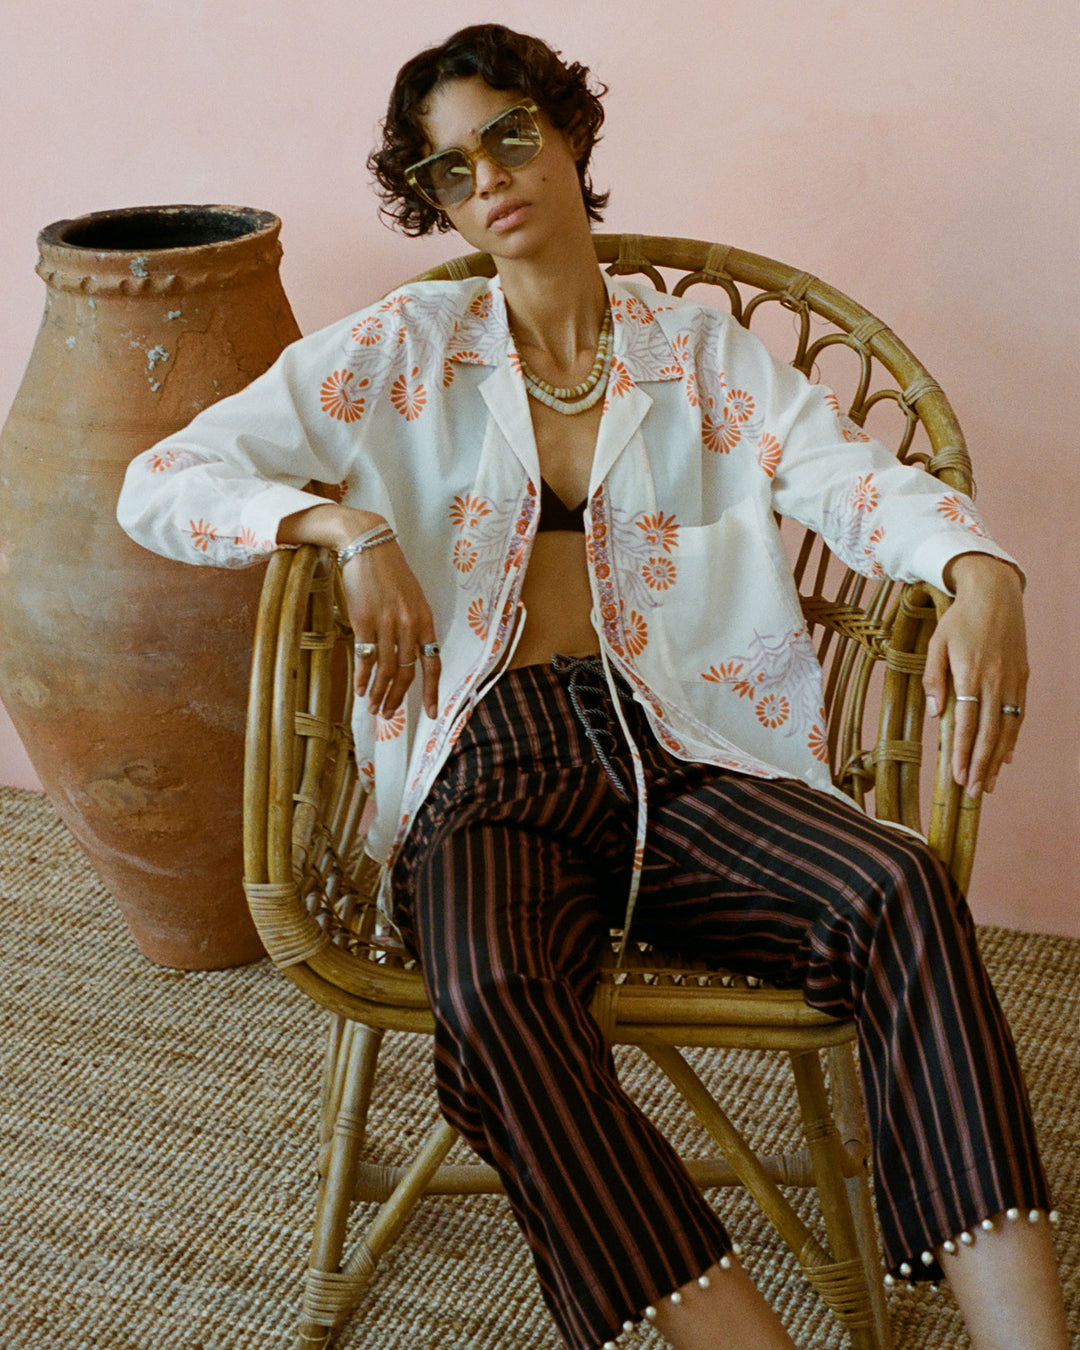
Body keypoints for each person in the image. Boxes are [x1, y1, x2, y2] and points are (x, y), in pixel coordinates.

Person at [117, 23, 1069, 1350]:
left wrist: (981, 567)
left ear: (567, 136)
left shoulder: (700, 355)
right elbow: (160, 480)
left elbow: (857, 482)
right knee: (498, 1003)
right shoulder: (404, 347)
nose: (489, 178)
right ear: (432, 199)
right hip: (482, 762)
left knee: (899, 889)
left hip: (684, 755)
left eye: (511, 134)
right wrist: (339, 529)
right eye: (449, 169)